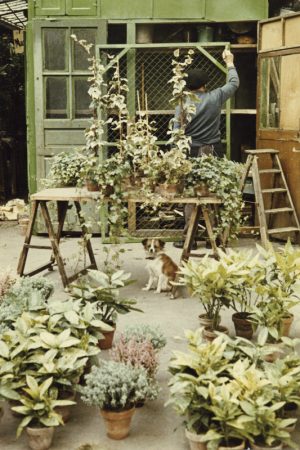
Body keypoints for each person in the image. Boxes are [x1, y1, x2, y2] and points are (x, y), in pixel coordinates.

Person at [174, 49, 239, 249]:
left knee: (191, 195)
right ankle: (216, 239)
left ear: (188, 86)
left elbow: (176, 131)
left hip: (191, 151)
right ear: (205, 84)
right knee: (214, 192)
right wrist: (229, 62)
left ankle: (189, 239)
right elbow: (234, 83)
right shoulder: (215, 97)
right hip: (213, 150)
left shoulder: (183, 103)